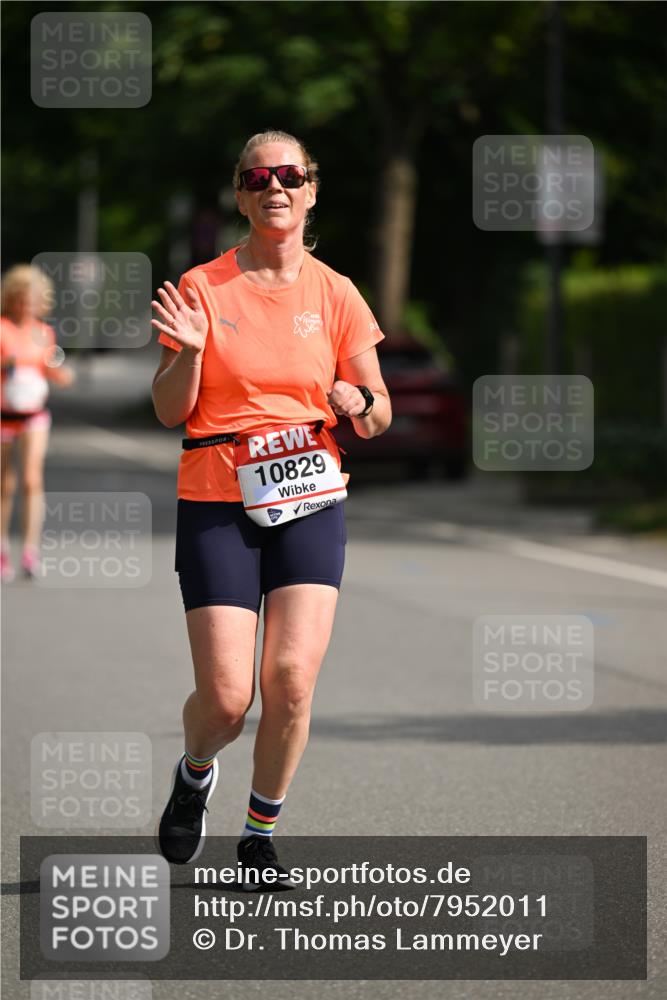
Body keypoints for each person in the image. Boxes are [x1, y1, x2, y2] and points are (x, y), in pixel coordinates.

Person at [151, 130, 391, 886]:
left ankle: (259, 834)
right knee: (227, 698)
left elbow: (378, 412)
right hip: (217, 495)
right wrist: (187, 353)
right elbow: (167, 411)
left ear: (311, 190)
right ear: (240, 193)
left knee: (290, 679)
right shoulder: (200, 287)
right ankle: (194, 773)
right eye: (259, 177)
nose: (274, 187)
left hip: (310, 495)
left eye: (290, 175)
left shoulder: (336, 292)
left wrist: (358, 401)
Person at [1, 264, 74, 582]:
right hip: (5, 415)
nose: (27, 304)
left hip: (34, 415)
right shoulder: (2, 328)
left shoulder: (43, 332)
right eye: (21, 297)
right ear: (12, 298)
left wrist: (61, 374)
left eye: (33, 298)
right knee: (5, 483)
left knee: (32, 480)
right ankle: (3, 549)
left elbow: (53, 368)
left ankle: (30, 551)